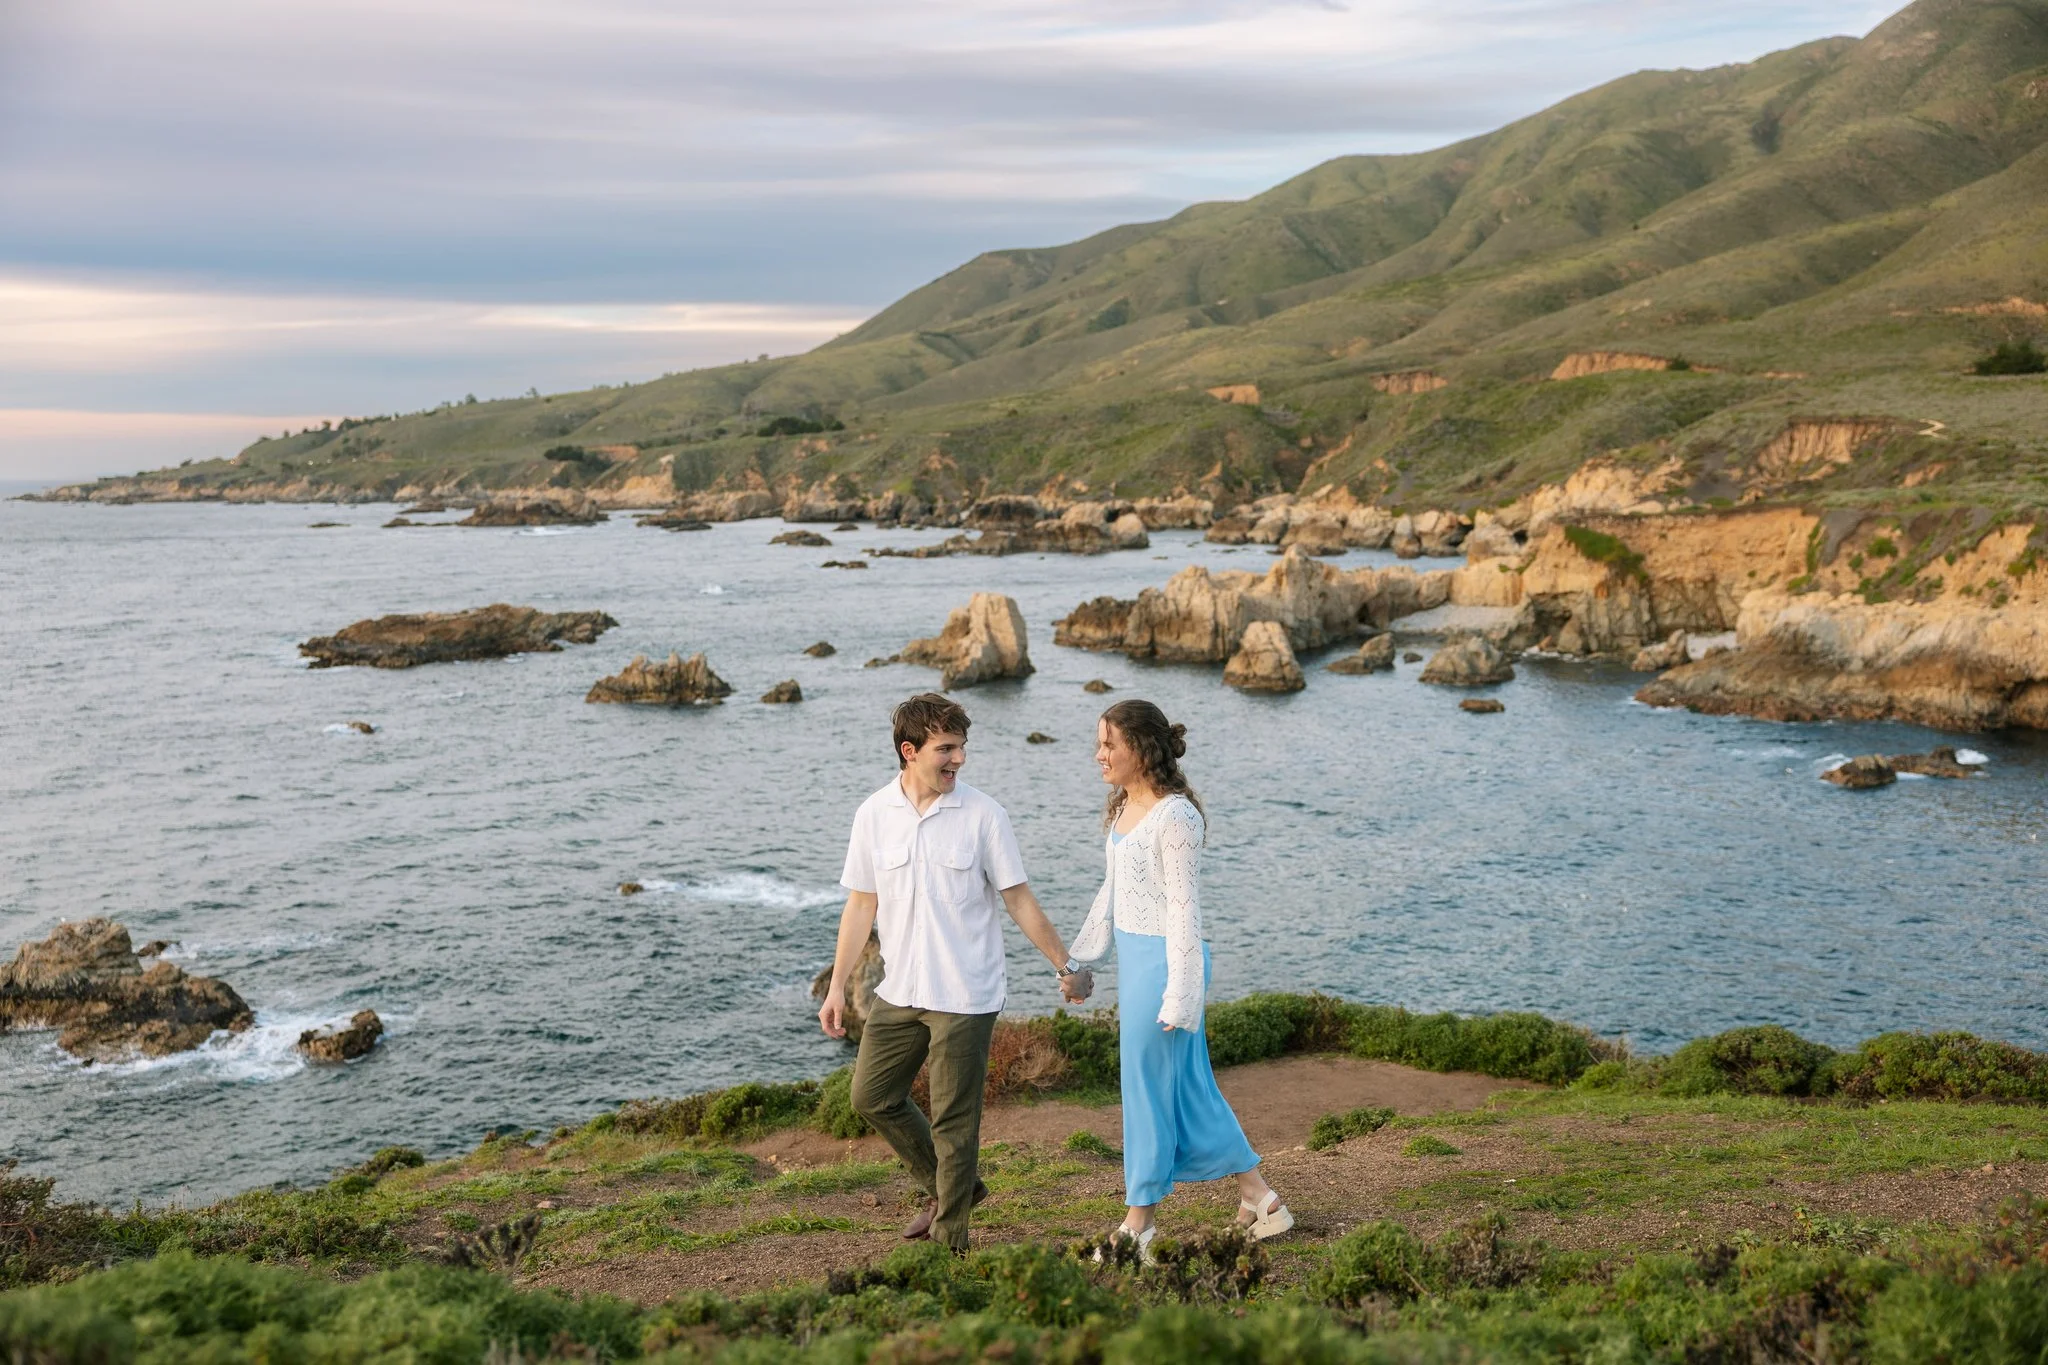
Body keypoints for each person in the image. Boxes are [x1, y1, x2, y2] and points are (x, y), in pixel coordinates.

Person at [818, 693, 1093, 1252]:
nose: (959, 759)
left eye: (962, 747)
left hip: (966, 993)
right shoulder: (873, 815)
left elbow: (1018, 899)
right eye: (946, 748)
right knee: (871, 1096)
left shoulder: (985, 816)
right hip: (900, 988)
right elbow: (861, 904)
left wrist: (1066, 965)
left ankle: (950, 1247)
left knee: (953, 1121)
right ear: (909, 751)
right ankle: (954, 1188)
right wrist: (838, 987)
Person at [1067, 699, 1292, 1259]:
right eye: (1099, 744)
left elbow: (1184, 911)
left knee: (1144, 1090)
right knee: (1189, 1089)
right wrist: (1082, 962)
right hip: (1139, 964)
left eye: (1109, 744)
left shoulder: (1177, 818)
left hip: (1168, 968)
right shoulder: (1124, 808)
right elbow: (1114, 893)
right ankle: (1260, 1199)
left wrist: (1181, 994)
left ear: (1141, 749)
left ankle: (1138, 1226)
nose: (1099, 755)